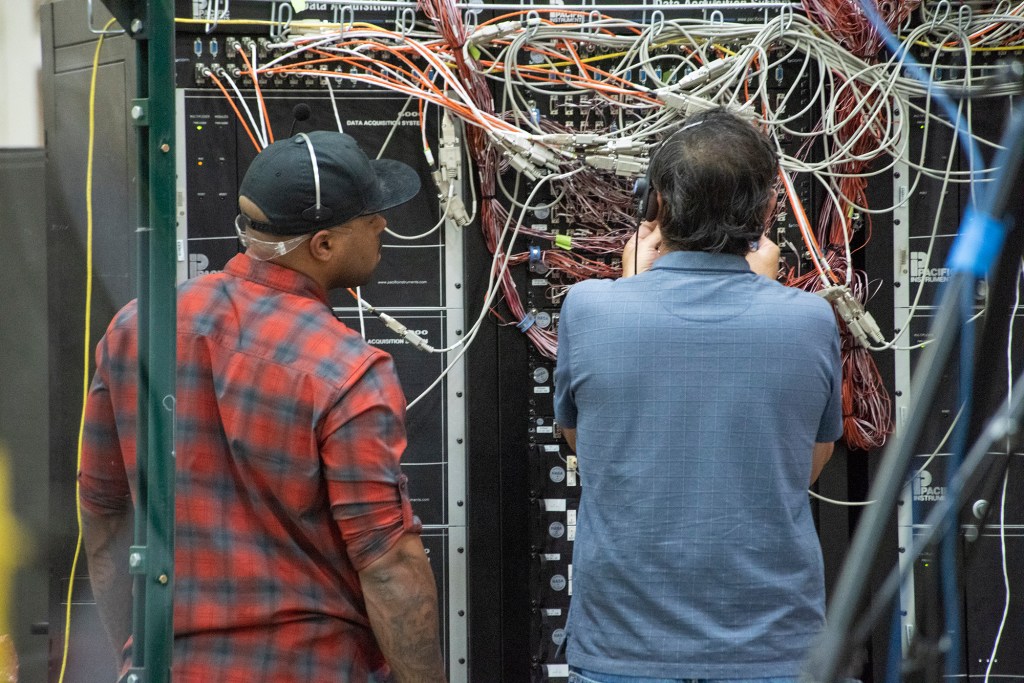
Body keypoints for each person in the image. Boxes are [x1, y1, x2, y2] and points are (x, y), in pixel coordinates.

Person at [79, 131, 447, 683]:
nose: (383, 226)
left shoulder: (135, 327)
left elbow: (103, 515)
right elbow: (389, 564)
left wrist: (135, 655)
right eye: (372, 216)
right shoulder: (346, 370)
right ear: (322, 245)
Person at [553, 108, 843, 683]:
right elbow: (804, 464)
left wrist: (634, 287)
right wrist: (762, 290)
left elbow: (591, 448)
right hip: (774, 653)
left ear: (653, 206)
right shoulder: (810, 321)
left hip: (623, 651)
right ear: (764, 214)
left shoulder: (589, 308)